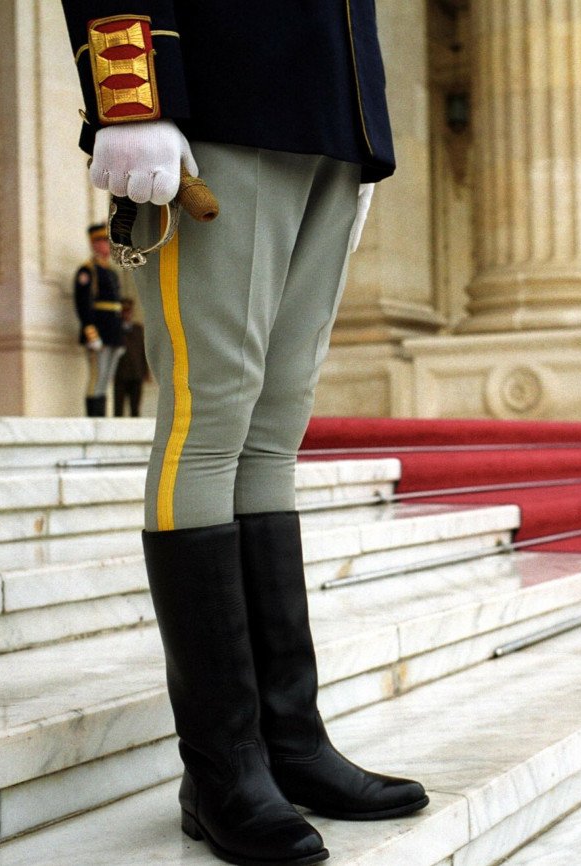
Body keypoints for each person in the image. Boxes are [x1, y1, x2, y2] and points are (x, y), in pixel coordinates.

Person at [60, 3, 426, 864]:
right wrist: (132, 95)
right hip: (219, 100)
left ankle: (289, 742)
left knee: (273, 430)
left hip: (330, 117)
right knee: (209, 418)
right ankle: (221, 768)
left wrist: (361, 129)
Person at [74, 223, 126, 417]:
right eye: (103, 241)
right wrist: (91, 332)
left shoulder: (111, 271)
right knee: (97, 377)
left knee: (106, 379)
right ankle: (94, 421)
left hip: (113, 333)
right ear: (94, 244)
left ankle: (101, 421)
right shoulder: (88, 271)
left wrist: (120, 337)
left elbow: (117, 307)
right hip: (99, 332)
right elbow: (83, 304)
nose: (107, 245)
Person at [113, 297, 148, 417]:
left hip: (136, 373)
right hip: (120, 374)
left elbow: (143, 352)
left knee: (135, 409)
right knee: (118, 408)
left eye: (128, 311)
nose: (126, 314)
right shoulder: (116, 329)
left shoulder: (138, 329)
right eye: (124, 311)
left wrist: (146, 372)